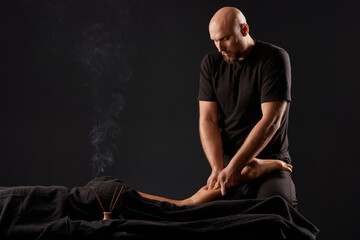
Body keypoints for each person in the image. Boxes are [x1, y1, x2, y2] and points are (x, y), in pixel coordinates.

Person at [198, 6, 297, 207]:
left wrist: (235, 166)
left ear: (244, 29)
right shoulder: (211, 63)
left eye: (225, 39)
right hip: (228, 170)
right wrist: (218, 169)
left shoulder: (274, 58)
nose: (219, 47)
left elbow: (271, 121)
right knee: (202, 217)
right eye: (214, 41)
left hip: (269, 167)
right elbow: (207, 119)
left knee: (275, 210)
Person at [138, 158, 292, 206]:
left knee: (183, 205)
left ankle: (247, 173)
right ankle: (247, 174)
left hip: (116, 195)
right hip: (116, 194)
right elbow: (207, 118)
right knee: (183, 205)